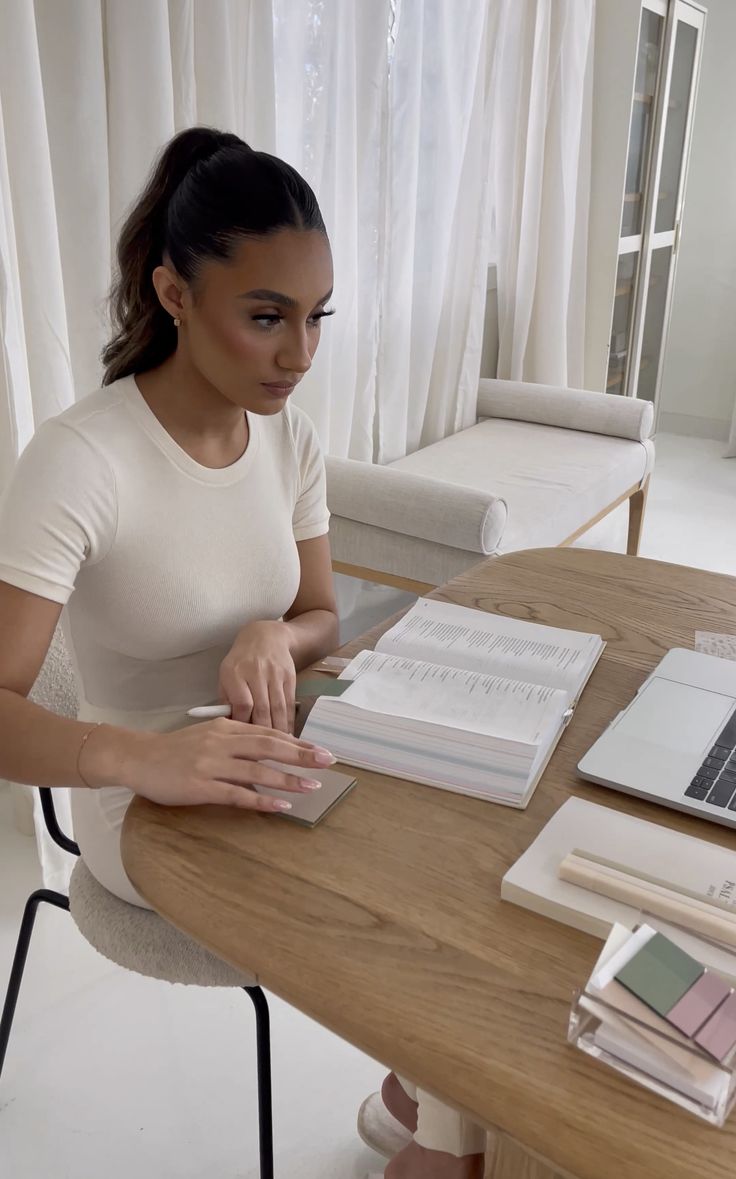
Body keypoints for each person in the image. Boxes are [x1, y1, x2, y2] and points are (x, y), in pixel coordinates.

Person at [0, 126, 485, 1178]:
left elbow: (321, 618)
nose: (299, 355)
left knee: (466, 861)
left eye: (316, 319)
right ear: (174, 295)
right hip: (140, 804)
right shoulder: (79, 460)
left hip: (268, 753)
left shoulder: (290, 439)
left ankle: (431, 1108)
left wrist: (275, 630)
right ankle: (440, 1135)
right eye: (266, 318)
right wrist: (137, 758)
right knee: (408, 918)